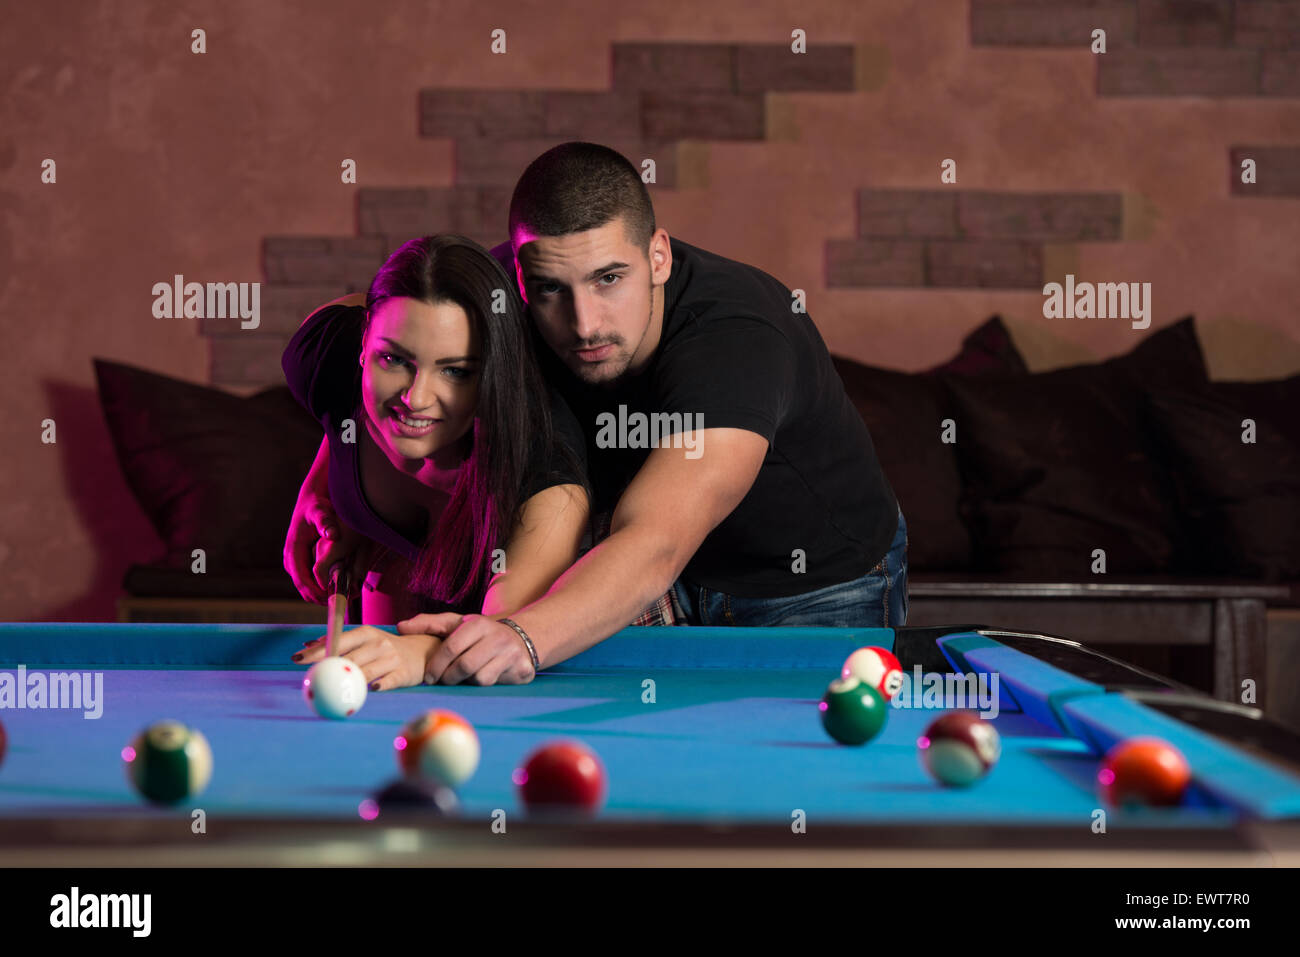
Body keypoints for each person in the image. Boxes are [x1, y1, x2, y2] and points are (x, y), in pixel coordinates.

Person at [287, 142, 907, 686]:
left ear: (658, 256)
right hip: (629, 580)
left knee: (803, 778)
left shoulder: (738, 339)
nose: (584, 324)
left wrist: (520, 638)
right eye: (552, 289)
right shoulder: (511, 288)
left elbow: (655, 542)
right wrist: (328, 484)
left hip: (807, 582)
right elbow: (380, 334)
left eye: (610, 278)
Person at [282, 235, 591, 689]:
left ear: (491, 373)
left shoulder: (544, 475)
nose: (416, 399)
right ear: (364, 340)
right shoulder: (323, 358)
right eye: (394, 359)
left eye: (456, 371)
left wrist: (420, 655)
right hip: (400, 573)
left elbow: (500, 639)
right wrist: (320, 485)